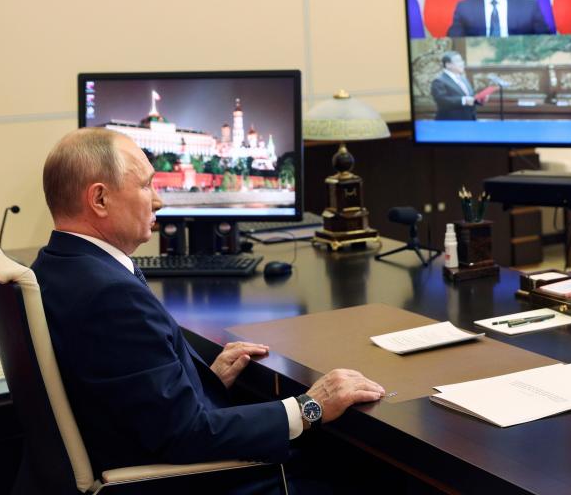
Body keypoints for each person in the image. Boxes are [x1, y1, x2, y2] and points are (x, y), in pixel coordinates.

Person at [29, 128, 384, 492]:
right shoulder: (110, 294)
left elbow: (127, 390)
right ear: (100, 199)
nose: (158, 201)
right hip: (188, 481)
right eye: (146, 186)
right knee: (369, 471)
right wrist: (309, 406)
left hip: (131, 452)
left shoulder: (54, 266)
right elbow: (186, 435)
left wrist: (200, 381)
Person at [430, 51, 492, 120]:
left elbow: (469, 98)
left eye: (462, 61)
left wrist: (479, 100)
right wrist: (464, 100)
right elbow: (442, 101)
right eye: (458, 61)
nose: (462, 63)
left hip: (469, 121)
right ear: (448, 65)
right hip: (451, 123)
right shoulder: (439, 81)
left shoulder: (463, 78)